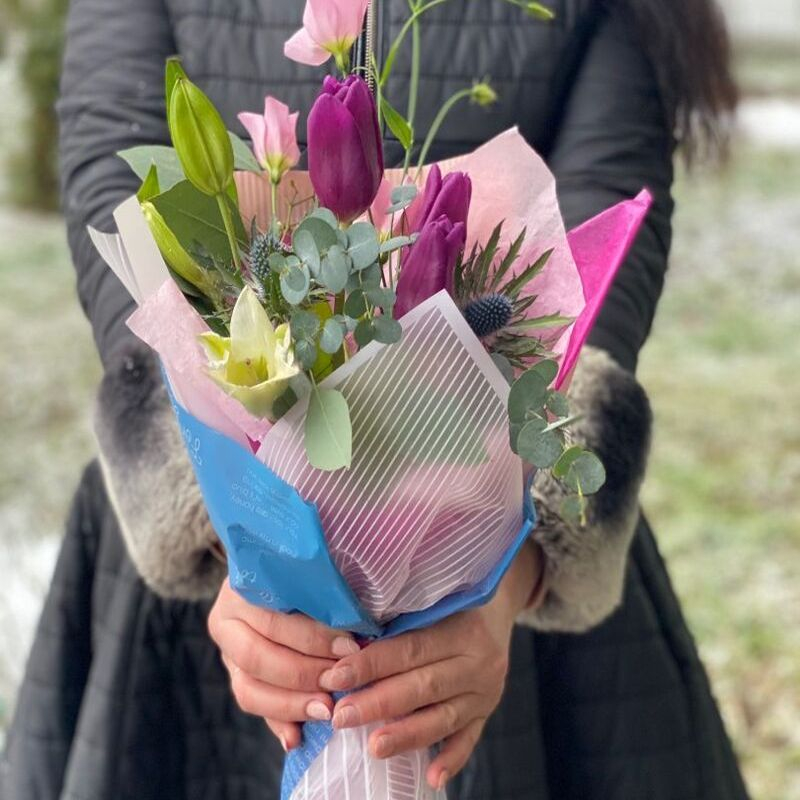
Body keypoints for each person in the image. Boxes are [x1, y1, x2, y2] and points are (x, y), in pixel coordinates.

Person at [1, 0, 748, 798]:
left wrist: (509, 578)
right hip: (226, 585)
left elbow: (608, 200)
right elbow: (115, 170)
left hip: (498, 575)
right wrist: (248, 546)